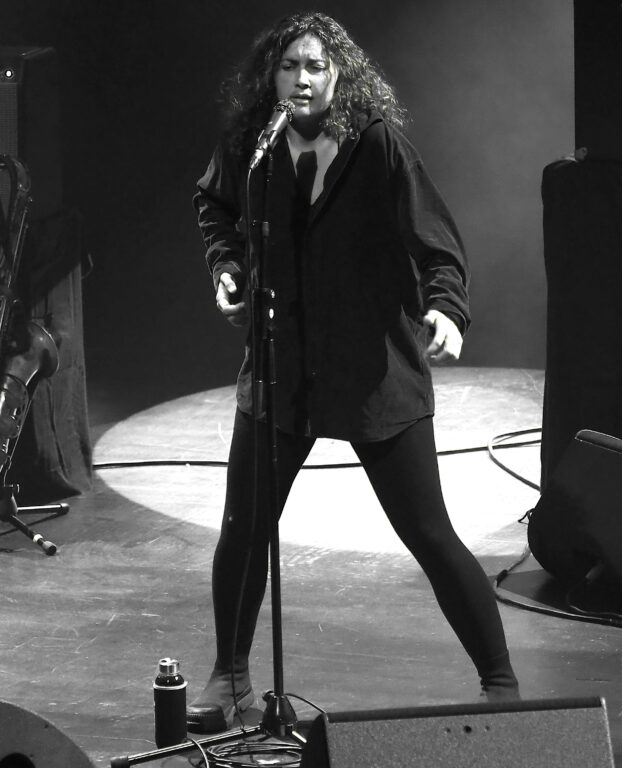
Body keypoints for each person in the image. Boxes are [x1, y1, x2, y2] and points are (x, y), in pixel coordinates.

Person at [187, 11, 520, 734]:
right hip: (282, 366)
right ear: (271, 76)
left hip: (372, 370)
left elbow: (437, 243)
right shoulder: (254, 145)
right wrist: (227, 267)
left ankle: (501, 684)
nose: (302, 79)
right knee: (244, 527)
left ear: (340, 74)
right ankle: (230, 675)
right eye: (290, 66)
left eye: (316, 66)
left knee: (428, 530)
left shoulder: (377, 145)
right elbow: (213, 203)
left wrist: (448, 310)